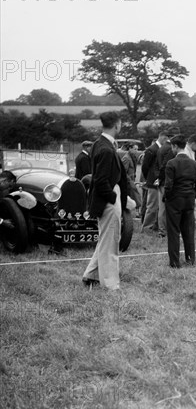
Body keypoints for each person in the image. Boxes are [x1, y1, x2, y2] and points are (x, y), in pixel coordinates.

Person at [81, 111, 128, 290]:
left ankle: (90, 275)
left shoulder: (99, 144)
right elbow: (100, 181)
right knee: (110, 243)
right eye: (121, 123)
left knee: (105, 239)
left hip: (105, 196)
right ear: (117, 125)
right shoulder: (106, 148)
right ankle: (110, 285)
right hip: (108, 198)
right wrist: (113, 197)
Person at [164, 135, 196, 268]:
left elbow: (168, 185)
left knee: (174, 231)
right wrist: (193, 195)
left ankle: (175, 262)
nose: (172, 149)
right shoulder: (194, 164)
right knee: (188, 231)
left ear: (175, 147)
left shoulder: (171, 163)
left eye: (172, 146)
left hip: (174, 201)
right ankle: (190, 259)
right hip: (189, 200)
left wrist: (167, 197)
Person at [141, 132, 168, 233]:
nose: (166, 141)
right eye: (165, 138)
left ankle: (155, 226)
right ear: (160, 137)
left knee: (158, 207)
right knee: (152, 206)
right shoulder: (151, 149)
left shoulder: (162, 149)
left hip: (159, 181)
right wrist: (150, 178)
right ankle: (147, 227)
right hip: (152, 182)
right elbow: (145, 167)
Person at [157, 137, 175, 238]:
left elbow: (159, 165)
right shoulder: (170, 149)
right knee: (166, 208)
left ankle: (162, 230)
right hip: (167, 181)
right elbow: (165, 166)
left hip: (162, 181)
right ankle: (163, 230)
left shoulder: (161, 148)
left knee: (162, 208)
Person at [119, 142, 142, 209]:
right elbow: (123, 172)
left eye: (137, 149)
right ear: (130, 149)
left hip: (131, 181)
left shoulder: (133, 157)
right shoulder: (126, 158)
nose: (136, 151)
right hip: (128, 183)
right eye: (135, 149)